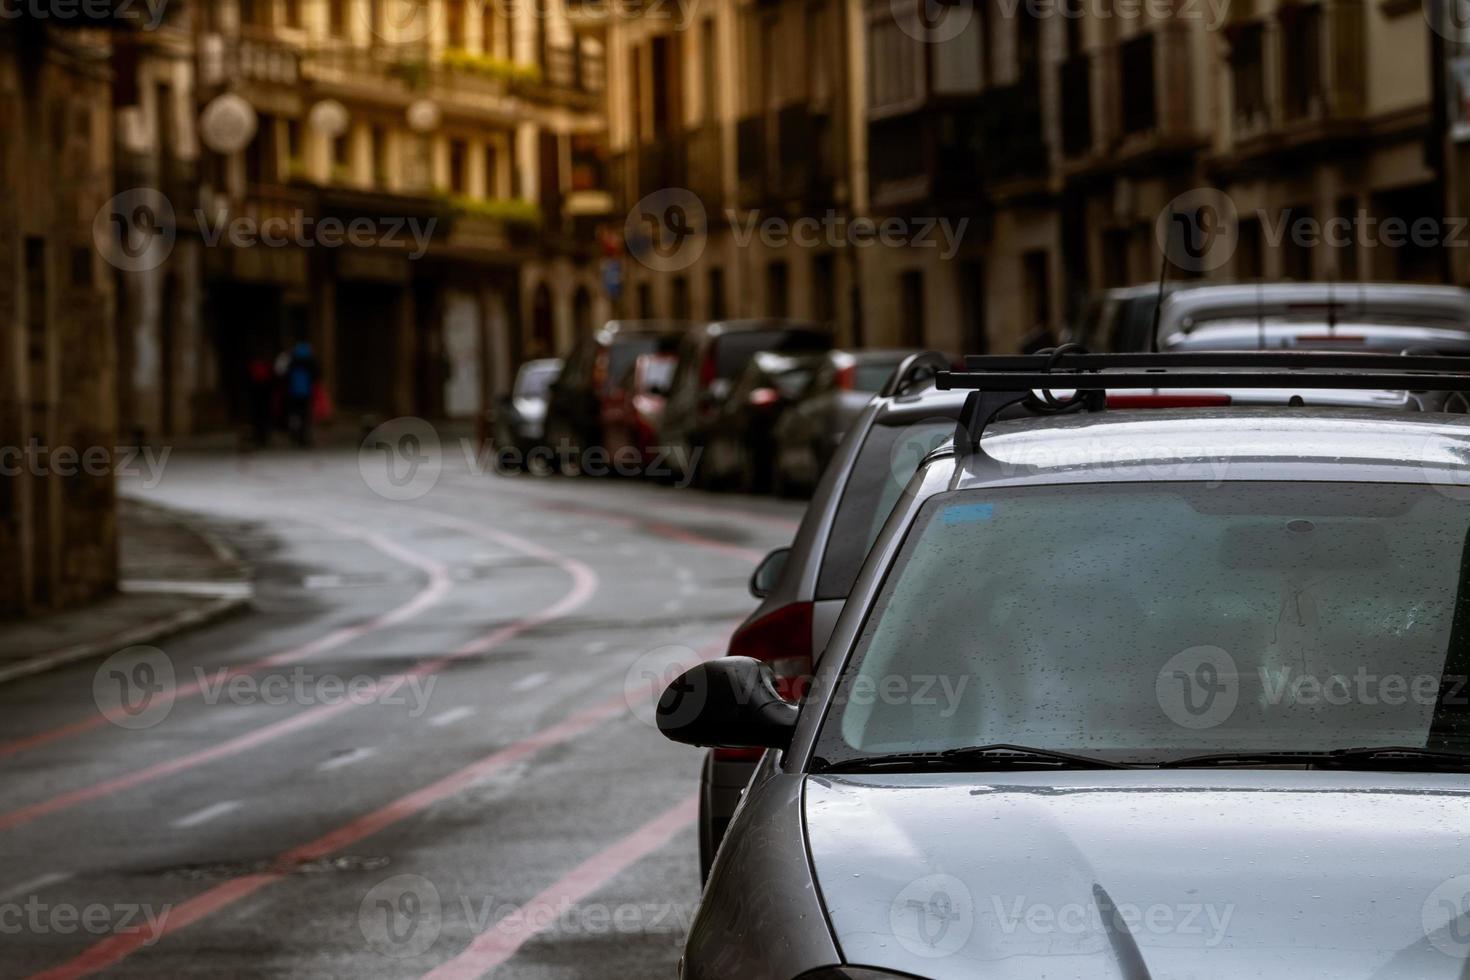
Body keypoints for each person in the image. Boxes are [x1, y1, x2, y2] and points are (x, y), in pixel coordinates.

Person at [281, 335, 319, 447]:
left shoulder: (292, 360)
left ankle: (295, 436)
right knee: (306, 415)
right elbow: (316, 375)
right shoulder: (310, 360)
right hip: (306, 392)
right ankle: (305, 438)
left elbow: (284, 375)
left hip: (293, 392)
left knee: (294, 415)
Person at [246, 344, 275, 447]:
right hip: (265, 393)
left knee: (257, 415)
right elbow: (272, 378)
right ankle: (263, 435)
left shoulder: (253, 365)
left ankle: (258, 435)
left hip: (256, 393)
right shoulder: (267, 364)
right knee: (264, 414)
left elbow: (249, 379)